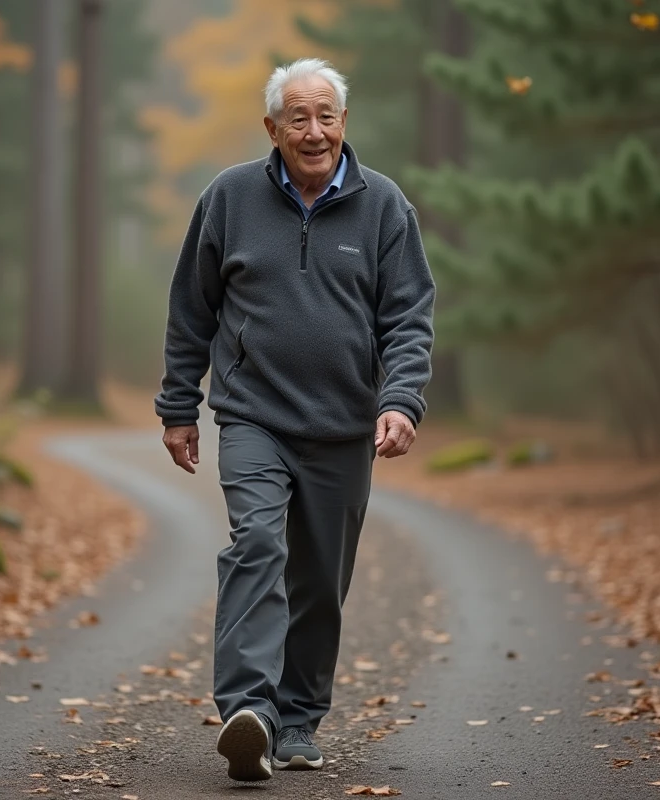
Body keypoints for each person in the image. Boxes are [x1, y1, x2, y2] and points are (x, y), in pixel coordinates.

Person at [153, 57, 436, 782]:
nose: (315, 132)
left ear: (344, 123)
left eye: (327, 117)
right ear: (272, 127)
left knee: (319, 579)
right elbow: (192, 308)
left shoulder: (384, 206)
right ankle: (249, 709)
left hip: (344, 427)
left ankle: (301, 718)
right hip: (253, 417)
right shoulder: (230, 197)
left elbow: (408, 318)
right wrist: (178, 404)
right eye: (299, 119)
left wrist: (400, 400)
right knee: (257, 544)